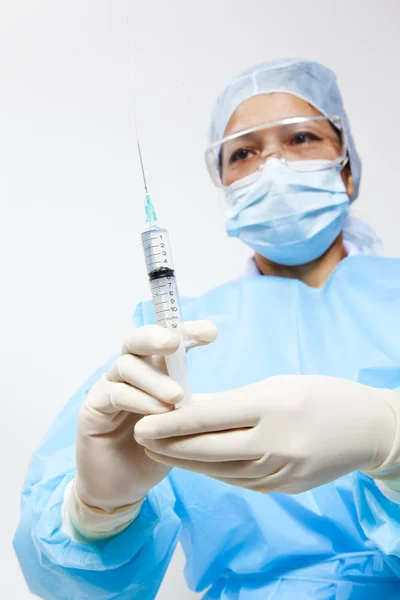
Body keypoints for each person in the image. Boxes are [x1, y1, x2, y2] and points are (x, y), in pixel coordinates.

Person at [14, 59, 400, 600]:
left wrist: (393, 438)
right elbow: (66, 580)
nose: (273, 165)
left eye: (301, 137)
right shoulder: (171, 337)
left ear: (346, 168)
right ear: (225, 185)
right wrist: (97, 512)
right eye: (243, 151)